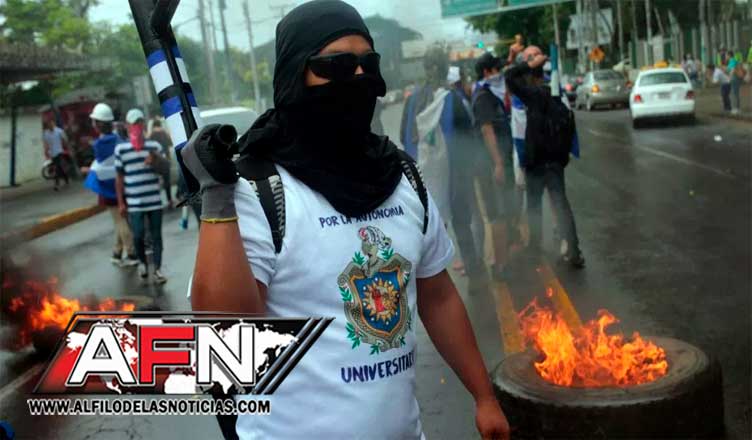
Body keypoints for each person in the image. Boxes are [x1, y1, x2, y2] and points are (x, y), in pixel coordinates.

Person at [182, 1, 510, 439]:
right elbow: (225, 331)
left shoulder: (401, 176)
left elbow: (438, 297)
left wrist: (484, 396)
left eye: (366, 64)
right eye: (336, 65)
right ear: (295, 76)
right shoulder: (256, 191)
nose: (357, 78)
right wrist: (217, 199)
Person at [505, 46, 585, 268]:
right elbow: (569, 128)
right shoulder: (557, 95)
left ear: (532, 77)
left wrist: (528, 63)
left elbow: (509, 76)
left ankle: (534, 250)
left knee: (534, 207)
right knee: (561, 205)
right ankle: (574, 251)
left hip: (536, 163)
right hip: (555, 162)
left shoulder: (533, 95)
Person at [472, 52, 519, 279]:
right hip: (490, 166)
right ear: (486, 72)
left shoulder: (492, 94)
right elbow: (487, 130)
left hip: (500, 162)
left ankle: (505, 259)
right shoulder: (483, 97)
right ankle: (501, 267)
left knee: (505, 211)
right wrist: (498, 163)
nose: (499, 73)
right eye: (496, 69)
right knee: (498, 214)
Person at [114, 108, 168, 284]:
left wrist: (156, 160)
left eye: (139, 123)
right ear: (127, 126)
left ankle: (158, 269)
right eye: (133, 124)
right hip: (134, 203)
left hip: (154, 201)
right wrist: (121, 203)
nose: (137, 126)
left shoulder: (154, 147)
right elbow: (119, 178)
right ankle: (143, 263)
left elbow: (165, 169)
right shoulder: (121, 149)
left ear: (143, 124)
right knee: (137, 235)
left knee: (156, 236)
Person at [83, 103, 138, 267]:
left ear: (99, 124)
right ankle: (117, 252)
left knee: (120, 221)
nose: (93, 124)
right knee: (120, 220)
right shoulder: (119, 140)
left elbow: (100, 166)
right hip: (124, 185)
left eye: (95, 121)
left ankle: (132, 253)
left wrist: (88, 170)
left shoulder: (99, 145)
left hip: (109, 189)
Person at [147, 118, 174, 207]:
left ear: (153, 126)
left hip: (155, 162)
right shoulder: (164, 133)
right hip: (165, 160)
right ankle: (169, 200)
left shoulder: (151, 134)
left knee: (155, 181)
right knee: (167, 181)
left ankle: (156, 200)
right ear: (160, 124)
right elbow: (170, 143)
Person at [42, 119, 70, 191]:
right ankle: (66, 179)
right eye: (49, 124)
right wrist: (46, 152)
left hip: (59, 152)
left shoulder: (59, 131)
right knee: (59, 168)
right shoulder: (46, 133)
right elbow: (46, 143)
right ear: (47, 125)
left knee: (56, 168)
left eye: (52, 123)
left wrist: (67, 148)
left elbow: (65, 140)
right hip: (52, 153)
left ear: (54, 124)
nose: (50, 125)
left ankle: (57, 184)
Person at [727, 50, 745, 115]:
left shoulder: (732, 61)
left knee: (734, 93)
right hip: (736, 79)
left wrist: (729, 78)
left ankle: (735, 109)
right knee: (736, 93)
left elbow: (732, 70)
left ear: (729, 55)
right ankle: (737, 108)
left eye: (726, 55)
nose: (726, 57)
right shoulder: (734, 60)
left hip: (734, 79)